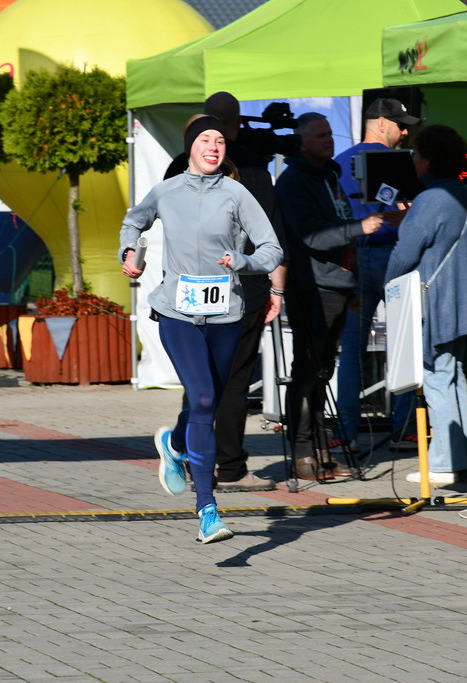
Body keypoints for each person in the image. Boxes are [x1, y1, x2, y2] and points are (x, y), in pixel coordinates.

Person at [120, 115, 282, 543]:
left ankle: (174, 444)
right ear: (190, 146)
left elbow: (272, 248)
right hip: (176, 312)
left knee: (206, 401)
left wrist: (244, 263)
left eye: (220, 141)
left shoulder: (237, 194)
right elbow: (133, 222)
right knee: (206, 398)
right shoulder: (167, 191)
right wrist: (130, 252)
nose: (214, 146)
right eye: (205, 139)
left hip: (226, 314)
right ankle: (208, 510)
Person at [163, 93, 288, 493]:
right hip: (241, 289)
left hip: (188, 286)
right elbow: (273, 234)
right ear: (236, 124)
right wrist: (277, 289)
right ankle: (229, 466)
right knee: (232, 381)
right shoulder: (251, 168)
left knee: (199, 382)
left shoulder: (175, 168)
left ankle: (188, 455)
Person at [274, 112, 383, 480]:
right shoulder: (293, 182)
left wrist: (352, 286)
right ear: (301, 142)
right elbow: (312, 236)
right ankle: (302, 453)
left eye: (329, 134)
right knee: (306, 371)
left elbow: (339, 233)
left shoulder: (331, 176)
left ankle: (321, 450)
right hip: (311, 286)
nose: (329, 140)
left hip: (338, 283)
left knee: (323, 370)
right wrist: (359, 226)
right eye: (320, 135)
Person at [384, 124, 467, 486]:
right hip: (465, 302)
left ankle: (444, 463)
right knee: (453, 374)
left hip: (439, 302)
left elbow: (405, 253)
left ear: (428, 160)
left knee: (437, 377)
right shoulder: (465, 193)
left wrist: (390, 286)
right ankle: (457, 459)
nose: (413, 160)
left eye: (416, 153)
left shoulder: (431, 199)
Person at [333, 98, 419, 454]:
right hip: (394, 260)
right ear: (381, 123)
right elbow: (412, 211)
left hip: (354, 260)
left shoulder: (338, 163)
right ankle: (404, 430)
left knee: (352, 351)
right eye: (400, 124)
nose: (405, 131)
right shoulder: (401, 163)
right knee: (404, 345)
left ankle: (346, 431)